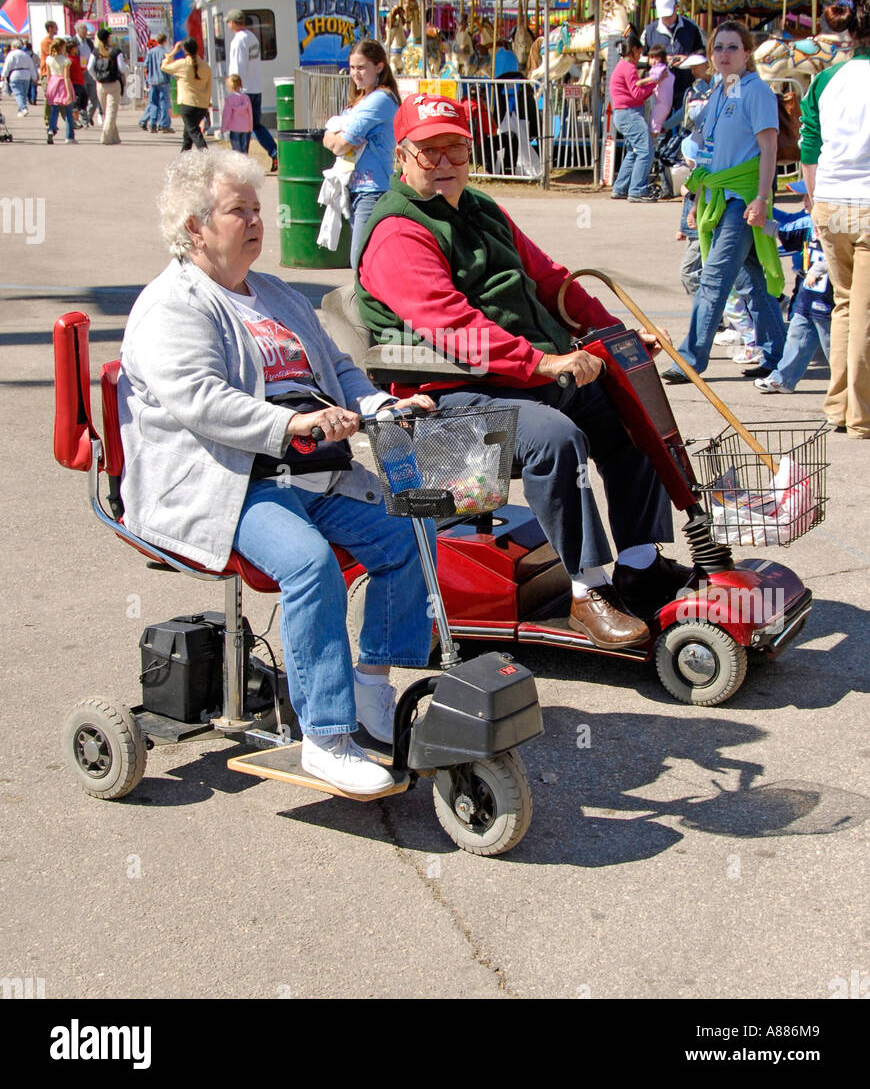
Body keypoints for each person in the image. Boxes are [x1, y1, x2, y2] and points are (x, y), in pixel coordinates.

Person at [118, 150, 435, 794]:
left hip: (310, 469)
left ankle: (371, 682)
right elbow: (201, 402)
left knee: (411, 528)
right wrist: (289, 426)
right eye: (240, 210)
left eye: (258, 208)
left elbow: (338, 368)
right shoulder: (171, 307)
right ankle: (324, 737)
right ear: (194, 227)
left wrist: (376, 405)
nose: (257, 220)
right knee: (309, 564)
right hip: (227, 479)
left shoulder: (274, 293)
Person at [355, 94, 693, 647]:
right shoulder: (398, 231)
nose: (444, 161)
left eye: (455, 148)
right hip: (443, 398)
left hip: (514, 379)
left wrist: (615, 339)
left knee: (629, 409)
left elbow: (551, 280)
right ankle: (588, 592)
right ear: (402, 157)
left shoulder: (482, 208)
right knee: (552, 437)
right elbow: (453, 325)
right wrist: (542, 360)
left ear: (470, 150)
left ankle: (638, 562)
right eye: (428, 150)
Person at [662, 21, 785, 384]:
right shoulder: (718, 92)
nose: (725, 54)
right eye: (719, 48)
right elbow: (711, 151)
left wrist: (762, 198)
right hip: (719, 196)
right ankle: (780, 353)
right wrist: (700, 197)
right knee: (751, 281)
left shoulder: (756, 92)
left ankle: (690, 359)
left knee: (714, 278)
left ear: (748, 52)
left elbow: (769, 149)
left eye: (733, 47)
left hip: (743, 199)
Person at [800, 0, 870, 437]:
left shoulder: (827, 79)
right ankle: (862, 415)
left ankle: (837, 406)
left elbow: (810, 141)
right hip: (866, 201)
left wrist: (812, 199)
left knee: (844, 305)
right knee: (863, 312)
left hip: (830, 201)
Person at [323, 39, 401, 270]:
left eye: (362, 67)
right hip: (353, 187)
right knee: (365, 259)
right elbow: (330, 137)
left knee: (361, 260)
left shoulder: (381, 99)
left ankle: (368, 304)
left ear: (379, 67)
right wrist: (338, 138)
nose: (356, 74)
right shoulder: (360, 101)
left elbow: (339, 144)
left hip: (373, 189)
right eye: (353, 68)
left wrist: (339, 138)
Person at [755, 184, 833, 395]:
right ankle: (783, 379)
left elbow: (837, 255)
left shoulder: (837, 223)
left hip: (829, 299)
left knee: (833, 347)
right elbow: (785, 231)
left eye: (807, 197)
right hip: (807, 295)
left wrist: (817, 269)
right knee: (797, 337)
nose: (803, 202)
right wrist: (762, 223)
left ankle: (848, 386)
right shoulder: (808, 223)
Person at [609, 35, 663, 201]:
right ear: (633, 50)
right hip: (629, 113)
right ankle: (637, 190)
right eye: (639, 52)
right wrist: (655, 83)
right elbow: (637, 94)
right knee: (645, 151)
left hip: (622, 114)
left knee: (633, 152)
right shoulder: (629, 68)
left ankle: (620, 187)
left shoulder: (621, 66)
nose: (641, 56)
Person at [225, 9, 277, 171]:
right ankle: (275, 152)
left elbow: (238, 65)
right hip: (255, 87)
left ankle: (241, 162)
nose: (227, 24)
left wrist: (235, 87)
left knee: (240, 127)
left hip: (243, 89)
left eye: (228, 22)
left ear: (233, 22)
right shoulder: (252, 37)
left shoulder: (238, 40)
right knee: (255, 125)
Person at [642, 0, 705, 114]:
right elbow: (642, 58)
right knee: (662, 126)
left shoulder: (691, 28)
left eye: (669, 15)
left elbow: (701, 52)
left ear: (676, 7)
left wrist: (687, 59)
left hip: (685, 84)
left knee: (685, 120)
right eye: (664, 17)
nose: (667, 19)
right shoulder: (650, 31)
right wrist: (661, 61)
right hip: (660, 90)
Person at [161, 38, 212, 152]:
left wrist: (173, 51)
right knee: (188, 134)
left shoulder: (183, 64)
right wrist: (207, 103)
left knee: (193, 131)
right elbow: (209, 87)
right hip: (202, 104)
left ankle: (205, 154)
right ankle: (183, 156)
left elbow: (164, 67)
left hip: (187, 104)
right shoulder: (205, 66)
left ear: (185, 50)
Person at [88, 27, 127, 145]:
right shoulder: (116, 51)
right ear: (108, 38)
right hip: (113, 84)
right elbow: (122, 68)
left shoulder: (95, 52)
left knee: (106, 111)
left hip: (100, 84)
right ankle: (106, 137)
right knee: (111, 112)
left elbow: (89, 68)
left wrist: (96, 77)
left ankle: (115, 138)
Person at [139, 33, 173, 134]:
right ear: (165, 41)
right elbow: (167, 67)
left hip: (152, 81)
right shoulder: (164, 53)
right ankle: (164, 125)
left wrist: (147, 78)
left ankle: (152, 124)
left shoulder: (151, 52)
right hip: (163, 81)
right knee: (164, 104)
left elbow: (146, 66)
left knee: (153, 103)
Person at [44, 38, 75, 144]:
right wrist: (69, 93)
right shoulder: (65, 60)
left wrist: (48, 88)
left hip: (53, 83)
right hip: (62, 84)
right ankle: (69, 136)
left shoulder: (48, 59)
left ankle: (51, 130)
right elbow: (66, 77)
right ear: (62, 47)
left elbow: (48, 76)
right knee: (68, 112)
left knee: (54, 111)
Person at [2, 39, 38, 116]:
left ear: (14, 46)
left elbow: (7, 66)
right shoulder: (26, 55)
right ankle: (21, 111)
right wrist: (34, 77)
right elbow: (31, 66)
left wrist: (3, 75)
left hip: (15, 74)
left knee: (18, 94)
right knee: (23, 94)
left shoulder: (11, 54)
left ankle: (23, 108)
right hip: (26, 75)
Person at [221, 72, 253, 153]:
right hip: (245, 128)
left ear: (230, 87)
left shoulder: (229, 99)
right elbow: (250, 114)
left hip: (234, 128)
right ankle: (245, 164)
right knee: (244, 150)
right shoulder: (246, 98)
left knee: (236, 151)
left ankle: (238, 165)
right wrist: (250, 127)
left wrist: (223, 128)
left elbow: (226, 115)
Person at [648, 44, 675, 138]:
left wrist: (641, 82)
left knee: (653, 126)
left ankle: (651, 146)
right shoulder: (664, 68)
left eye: (656, 58)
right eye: (651, 58)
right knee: (655, 125)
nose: (653, 61)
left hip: (661, 102)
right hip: (663, 102)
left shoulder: (660, 68)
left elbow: (655, 78)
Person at [74, 22, 98, 124]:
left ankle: (89, 116)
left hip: (90, 71)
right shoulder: (73, 42)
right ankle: (83, 117)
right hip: (79, 72)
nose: (85, 32)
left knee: (94, 96)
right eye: (83, 30)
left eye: (86, 30)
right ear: (78, 31)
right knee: (82, 95)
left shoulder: (89, 42)